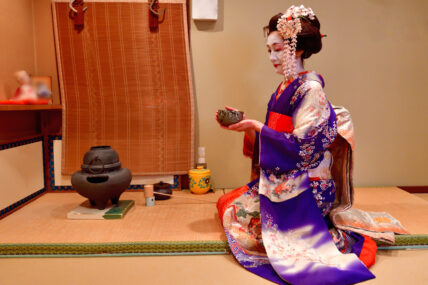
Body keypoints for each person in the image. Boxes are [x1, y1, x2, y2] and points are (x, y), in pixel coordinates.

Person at [215, 5, 378, 285]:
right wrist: (247, 127)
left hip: (307, 184)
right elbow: (273, 137)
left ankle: (322, 231)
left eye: (278, 49)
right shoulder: (284, 88)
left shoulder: (311, 89)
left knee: (245, 226)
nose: (271, 57)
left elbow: (305, 148)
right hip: (283, 174)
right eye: (268, 50)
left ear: (298, 49)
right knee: (227, 204)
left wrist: (258, 127)